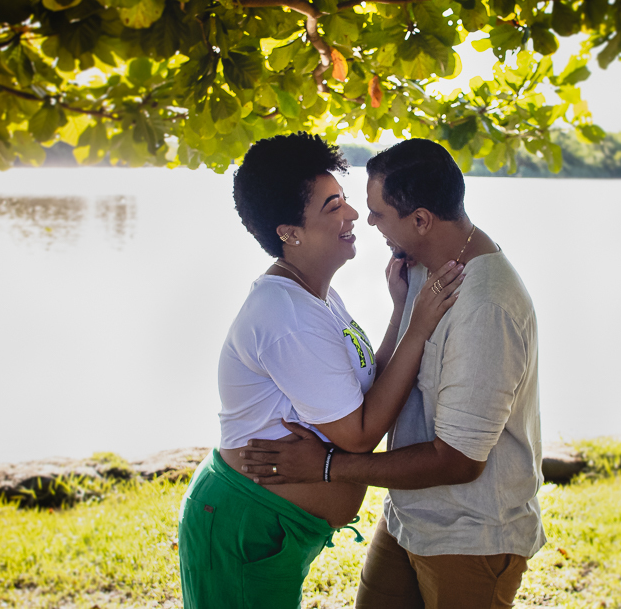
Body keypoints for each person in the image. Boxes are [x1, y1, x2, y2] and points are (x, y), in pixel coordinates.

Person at [239, 138, 546, 609]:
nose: (367, 222)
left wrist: (326, 467)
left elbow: (459, 461)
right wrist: (401, 308)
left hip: (470, 533)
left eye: (377, 213)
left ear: (421, 219)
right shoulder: (424, 268)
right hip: (409, 516)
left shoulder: (485, 306)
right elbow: (393, 380)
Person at [178, 133, 464, 609]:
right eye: (333, 206)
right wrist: (418, 326)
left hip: (271, 526)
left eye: (344, 199)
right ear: (290, 232)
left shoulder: (318, 296)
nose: (353, 214)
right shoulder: (287, 315)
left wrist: (400, 313)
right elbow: (358, 433)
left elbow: (363, 390)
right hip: (244, 525)